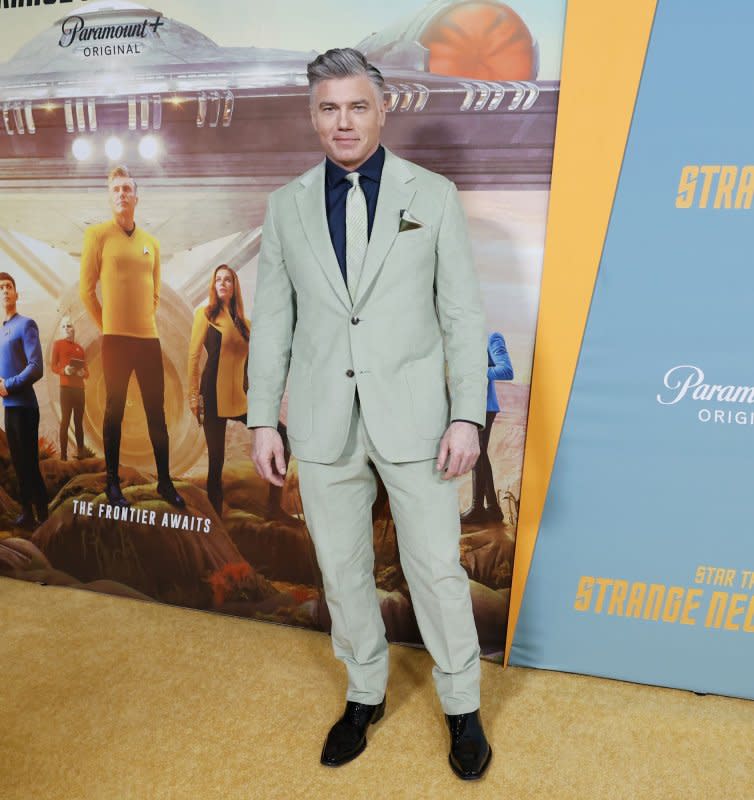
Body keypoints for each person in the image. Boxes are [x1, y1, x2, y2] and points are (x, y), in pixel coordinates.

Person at [247, 48, 491, 779]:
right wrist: (265, 418)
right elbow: (275, 320)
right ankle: (363, 693)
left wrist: (467, 416)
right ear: (312, 115)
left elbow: (464, 317)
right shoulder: (286, 204)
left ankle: (463, 708)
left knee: (436, 571)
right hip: (322, 421)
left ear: (383, 110)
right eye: (329, 108)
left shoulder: (434, 196)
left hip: (418, 419)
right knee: (343, 569)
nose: (343, 121)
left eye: (356, 106)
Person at [79, 165, 184, 509]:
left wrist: (144, 321)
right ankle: (113, 484)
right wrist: (108, 326)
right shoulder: (97, 235)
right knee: (114, 411)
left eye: (127, 189)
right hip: (116, 341)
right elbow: (86, 291)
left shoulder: (150, 243)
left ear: (137, 197)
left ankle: (165, 483)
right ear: (110, 198)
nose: (122, 194)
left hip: (147, 341)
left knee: (157, 413)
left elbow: (154, 292)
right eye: (116, 190)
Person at [0, 272, 48, 530]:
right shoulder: (1, 331)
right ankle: (27, 512)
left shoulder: (26, 324)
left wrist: (8, 385)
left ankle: (43, 514)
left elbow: (36, 367)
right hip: (9, 409)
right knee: (19, 464)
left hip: (26, 408)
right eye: (1, 288)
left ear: (16, 294)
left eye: (9, 286)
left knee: (29, 463)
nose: (5, 290)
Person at [461, 331, 513, 524]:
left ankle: (478, 509)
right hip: (469, 408)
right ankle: (491, 508)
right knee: (481, 456)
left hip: (484, 407)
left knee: (478, 456)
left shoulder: (492, 337)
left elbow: (507, 370)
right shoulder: (464, 340)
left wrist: (474, 372)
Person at [51, 316, 89, 461]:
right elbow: (53, 366)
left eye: (69, 325)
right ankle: (63, 456)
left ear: (74, 329)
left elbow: (87, 371)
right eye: (64, 326)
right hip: (65, 388)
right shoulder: (58, 344)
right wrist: (64, 370)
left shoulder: (80, 348)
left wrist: (82, 373)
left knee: (79, 422)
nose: (67, 328)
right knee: (65, 421)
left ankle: (81, 454)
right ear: (61, 330)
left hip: (79, 390)